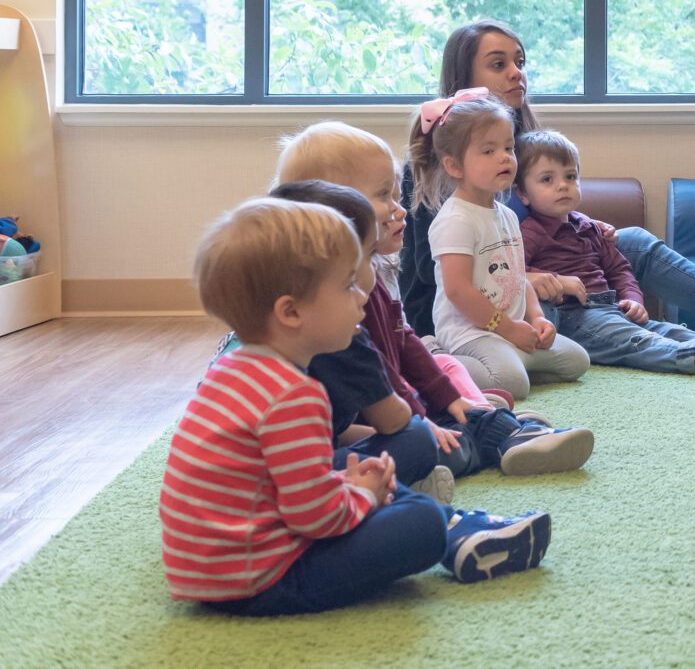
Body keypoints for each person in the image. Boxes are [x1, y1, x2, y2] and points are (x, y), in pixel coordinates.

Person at [161, 197, 552, 615]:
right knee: (421, 519)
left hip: (218, 564)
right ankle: (449, 527)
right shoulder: (294, 394)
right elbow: (315, 519)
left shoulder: (233, 369)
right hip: (260, 579)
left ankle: (441, 518)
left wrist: (345, 484)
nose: (362, 297)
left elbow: (278, 480)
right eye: (348, 286)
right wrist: (363, 495)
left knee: (411, 442)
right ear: (290, 312)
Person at [398, 20, 695, 342]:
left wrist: (585, 228)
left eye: (520, 62)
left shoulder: (524, 147)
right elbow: (435, 275)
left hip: (546, 276)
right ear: (464, 82)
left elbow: (543, 218)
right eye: (499, 64)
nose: (517, 73)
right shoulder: (438, 165)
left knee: (633, 242)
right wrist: (527, 277)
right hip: (484, 308)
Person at [275, 122, 594, 479]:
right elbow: (379, 386)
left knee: (448, 400)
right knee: (426, 441)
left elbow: (404, 343)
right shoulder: (333, 306)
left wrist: (448, 399)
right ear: (333, 211)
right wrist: (423, 418)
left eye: (397, 195)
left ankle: (500, 427)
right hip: (369, 421)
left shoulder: (371, 275)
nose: (399, 210)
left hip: (385, 409)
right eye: (383, 196)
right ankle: (497, 436)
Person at [516, 129, 695, 376]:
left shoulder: (589, 227)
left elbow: (618, 268)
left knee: (667, 330)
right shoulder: (530, 233)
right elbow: (512, 275)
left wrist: (633, 298)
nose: (563, 186)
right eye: (547, 180)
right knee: (636, 340)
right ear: (523, 194)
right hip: (573, 316)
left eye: (570, 177)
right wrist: (551, 281)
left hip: (609, 306)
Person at [411, 92, 591, 402]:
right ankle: (436, 360)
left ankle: (510, 363)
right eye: (489, 151)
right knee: (511, 383)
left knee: (577, 361)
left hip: (509, 329)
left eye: (508, 148)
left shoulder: (506, 215)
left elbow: (519, 278)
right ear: (454, 166)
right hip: (470, 334)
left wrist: (537, 318)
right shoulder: (455, 220)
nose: (505, 157)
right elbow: (458, 291)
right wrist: (508, 329)